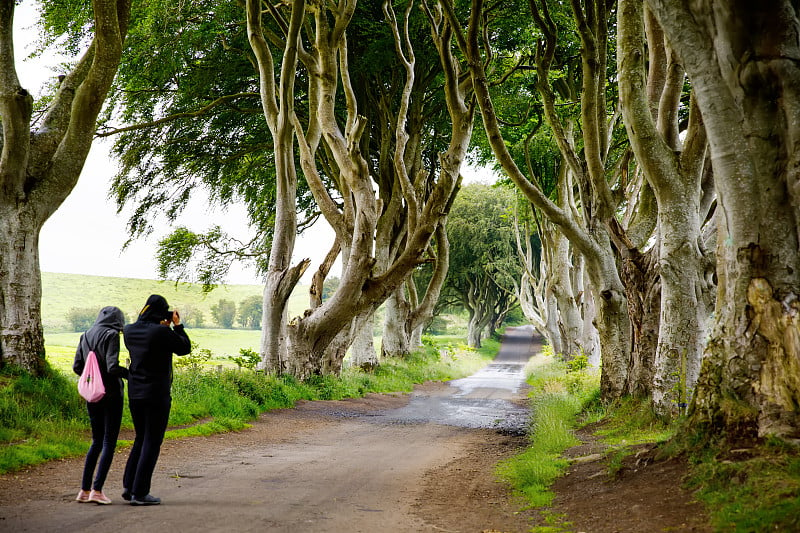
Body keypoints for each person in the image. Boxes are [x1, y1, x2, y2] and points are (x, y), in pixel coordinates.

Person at [122, 294, 191, 506]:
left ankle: (129, 486)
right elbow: (184, 348)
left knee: (140, 438)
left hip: (135, 392)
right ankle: (140, 492)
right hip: (156, 393)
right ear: (163, 312)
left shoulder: (129, 330)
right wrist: (177, 326)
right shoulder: (161, 331)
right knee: (153, 441)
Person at [73, 306, 128, 505]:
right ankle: (97, 490)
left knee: (96, 441)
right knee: (109, 443)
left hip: (92, 394)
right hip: (111, 394)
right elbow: (112, 366)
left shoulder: (85, 335)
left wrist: (93, 380)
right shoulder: (112, 335)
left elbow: (77, 366)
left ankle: (84, 490)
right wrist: (130, 374)